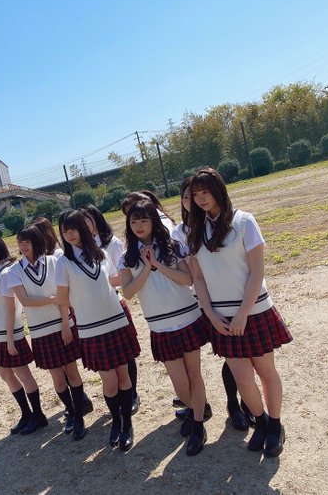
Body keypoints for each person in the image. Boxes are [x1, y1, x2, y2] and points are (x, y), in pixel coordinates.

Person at [187, 168, 292, 457]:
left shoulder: (244, 221)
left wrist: (243, 313)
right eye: (195, 194)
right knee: (243, 378)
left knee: (266, 371)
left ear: (218, 190)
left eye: (205, 192)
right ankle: (261, 422)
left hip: (254, 311)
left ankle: (275, 425)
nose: (201, 198)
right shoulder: (195, 231)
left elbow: (257, 271)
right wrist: (210, 314)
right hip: (221, 317)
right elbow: (198, 278)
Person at [118, 199, 210, 456]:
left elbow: (187, 279)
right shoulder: (127, 257)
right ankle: (196, 409)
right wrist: (146, 268)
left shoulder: (173, 245)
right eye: (133, 221)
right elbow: (128, 293)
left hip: (187, 318)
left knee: (194, 376)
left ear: (154, 221)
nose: (138, 226)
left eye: (143, 220)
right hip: (160, 326)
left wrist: (158, 265)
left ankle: (198, 425)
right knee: (180, 385)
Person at [172, 177, 254, 431]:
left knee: (237, 356)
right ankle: (223, 405)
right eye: (187, 197)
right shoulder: (179, 233)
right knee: (229, 356)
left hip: (227, 297)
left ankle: (241, 404)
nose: (193, 201)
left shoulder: (224, 222)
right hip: (202, 301)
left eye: (198, 194)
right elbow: (191, 274)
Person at [55, 210, 141, 451]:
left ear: (84, 228)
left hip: (116, 321)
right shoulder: (63, 262)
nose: (69, 234)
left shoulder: (101, 253)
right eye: (64, 230)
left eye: (73, 228)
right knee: (110, 382)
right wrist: (82, 308)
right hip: (91, 328)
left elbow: (114, 280)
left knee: (124, 377)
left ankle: (126, 425)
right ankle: (116, 421)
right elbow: (62, 298)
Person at [5, 225, 88, 440]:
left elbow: (64, 296)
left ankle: (79, 417)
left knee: (73, 373)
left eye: (27, 242)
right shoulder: (14, 271)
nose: (23, 246)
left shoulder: (55, 262)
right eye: (20, 242)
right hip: (41, 332)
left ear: (37, 242)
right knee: (58, 379)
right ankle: (71, 411)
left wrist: (65, 325)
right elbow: (25, 301)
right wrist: (52, 299)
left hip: (63, 326)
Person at [0, 233, 47, 435]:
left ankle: (38, 416)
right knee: (5, 374)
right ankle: (27, 414)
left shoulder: (6, 273)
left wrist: (10, 340)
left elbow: (10, 309)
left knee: (23, 374)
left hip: (9, 333)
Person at [78, 203, 141, 415]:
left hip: (114, 302)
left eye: (86, 219)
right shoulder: (81, 247)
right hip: (96, 309)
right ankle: (123, 400)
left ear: (95, 219)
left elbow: (123, 276)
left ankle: (132, 395)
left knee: (126, 356)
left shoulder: (111, 243)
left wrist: (101, 281)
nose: (83, 224)